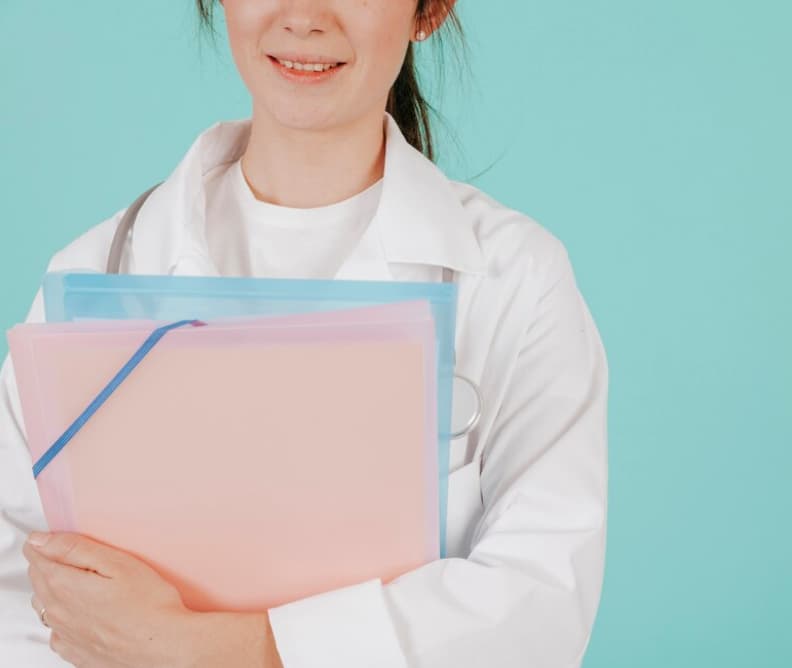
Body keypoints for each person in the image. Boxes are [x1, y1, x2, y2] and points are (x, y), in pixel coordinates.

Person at [0, 1, 609, 666]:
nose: (304, 16)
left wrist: (206, 651)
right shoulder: (98, 271)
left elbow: (539, 605)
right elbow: (17, 597)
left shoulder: (514, 281)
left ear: (429, 10)